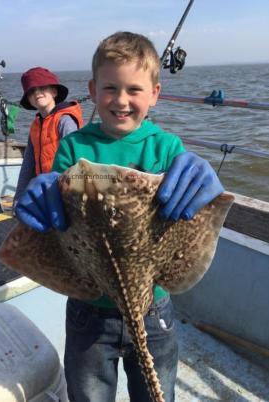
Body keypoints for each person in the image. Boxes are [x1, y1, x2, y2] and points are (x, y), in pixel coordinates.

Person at [15, 32, 224, 402]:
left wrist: (211, 194)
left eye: (134, 89)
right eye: (111, 88)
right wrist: (42, 192)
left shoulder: (167, 148)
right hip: (89, 310)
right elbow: (56, 219)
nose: (122, 100)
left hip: (155, 305)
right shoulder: (74, 147)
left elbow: (194, 207)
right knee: (89, 394)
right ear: (93, 90)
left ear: (155, 94)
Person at [14, 66, 84, 204]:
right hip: (46, 191)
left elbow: (76, 162)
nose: (37, 93)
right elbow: (28, 165)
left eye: (42, 88)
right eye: (31, 91)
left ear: (54, 91)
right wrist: (19, 197)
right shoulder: (35, 126)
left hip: (67, 194)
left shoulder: (65, 120)